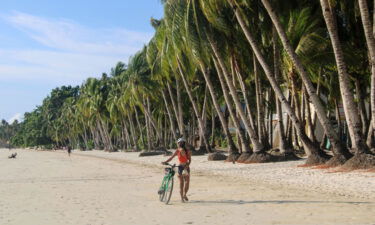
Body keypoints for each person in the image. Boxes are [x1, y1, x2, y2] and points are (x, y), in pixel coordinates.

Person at [162, 138, 191, 202]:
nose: (179, 144)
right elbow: (171, 157)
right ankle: (182, 198)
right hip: (181, 167)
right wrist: (165, 161)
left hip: (185, 167)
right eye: (179, 143)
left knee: (185, 183)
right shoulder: (178, 150)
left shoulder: (187, 151)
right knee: (182, 183)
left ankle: (184, 195)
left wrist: (187, 165)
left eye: (180, 143)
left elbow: (189, 160)